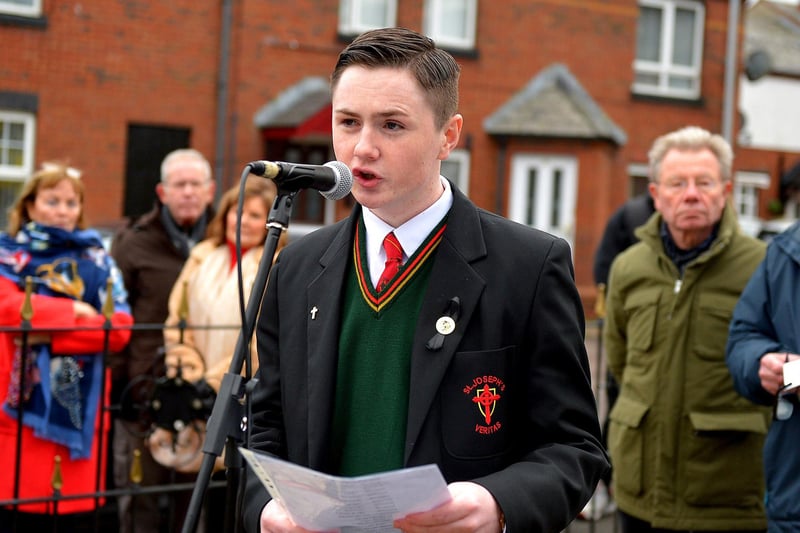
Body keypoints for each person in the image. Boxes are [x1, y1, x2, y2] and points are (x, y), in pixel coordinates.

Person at [243, 27, 608, 533]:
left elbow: (574, 449)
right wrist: (266, 510)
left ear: (448, 135)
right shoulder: (297, 266)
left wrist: (495, 504)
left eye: (392, 125)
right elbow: (264, 432)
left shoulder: (528, 265)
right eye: (347, 122)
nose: (361, 148)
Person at [603, 126, 770, 532]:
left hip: (726, 496)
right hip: (640, 493)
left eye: (704, 182)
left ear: (725, 190)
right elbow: (622, 364)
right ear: (657, 194)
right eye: (678, 183)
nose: (691, 194)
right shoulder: (629, 267)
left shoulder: (765, 267)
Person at [0, 162, 132, 530]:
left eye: (71, 203)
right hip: (19, 416)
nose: (62, 210)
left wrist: (43, 330)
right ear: (29, 206)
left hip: (79, 423)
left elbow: (119, 329)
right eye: (52, 200)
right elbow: (9, 313)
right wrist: (75, 309)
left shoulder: (100, 261)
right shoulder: (7, 256)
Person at [110, 148, 215, 533]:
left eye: (195, 184)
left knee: (194, 507)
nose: (188, 192)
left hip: (202, 395)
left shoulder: (222, 243)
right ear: (162, 191)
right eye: (179, 184)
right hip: (142, 396)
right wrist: (120, 391)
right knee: (140, 504)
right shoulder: (132, 241)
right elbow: (116, 321)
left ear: (210, 190)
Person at [152, 176, 286, 471]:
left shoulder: (277, 264)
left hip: (242, 394)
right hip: (190, 393)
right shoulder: (201, 256)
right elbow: (178, 321)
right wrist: (190, 375)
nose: (244, 221)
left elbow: (261, 339)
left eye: (255, 215)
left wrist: (216, 382)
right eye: (238, 212)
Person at [582, 192, 655, 520]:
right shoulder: (630, 215)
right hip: (631, 320)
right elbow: (605, 266)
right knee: (616, 401)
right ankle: (608, 480)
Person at [727, 219, 800, 531]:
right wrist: (760, 362)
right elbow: (744, 337)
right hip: (792, 502)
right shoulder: (786, 251)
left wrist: (792, 374)